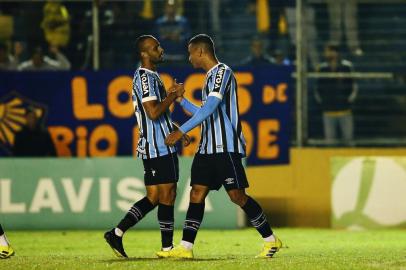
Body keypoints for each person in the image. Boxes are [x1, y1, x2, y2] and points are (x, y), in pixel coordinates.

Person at [162, 34, 282, 259]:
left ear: (200, 51)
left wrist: (181, 131)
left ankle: (271, 240)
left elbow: (209, 109)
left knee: (237, 196)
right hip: (207, 148)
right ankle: (185, 248)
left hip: (225, 147)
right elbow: (203, 113)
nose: (189, 58)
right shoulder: (209, 78)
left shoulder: (222, 73)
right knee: (196, 193)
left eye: (190, 53)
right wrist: (180, 100)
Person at [104, 35, 189, 258]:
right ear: (144, 53)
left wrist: (177, 129)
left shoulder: (150, 76)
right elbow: (152, 113)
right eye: (155, 47)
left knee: (153, 197)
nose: (161, 50)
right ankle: (168, 249)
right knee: (168, 194)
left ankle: (116, 232)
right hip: (159, 146)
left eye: (159, 46)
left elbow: (156, 114)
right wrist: (173, 94)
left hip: (154, 143)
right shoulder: (145, 78)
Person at [315, 43, 357, 146]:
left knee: (348, 140)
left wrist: (349, 100)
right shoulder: (322, 68)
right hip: (328, 111)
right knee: (330, 142)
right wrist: (323, 102)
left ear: (335, 52)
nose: (327, 54)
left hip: (344, 110)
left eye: (329, 51)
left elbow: (353, 86)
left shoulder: (347, 67)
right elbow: (317, 88)